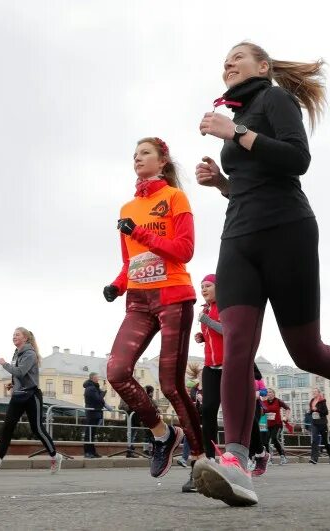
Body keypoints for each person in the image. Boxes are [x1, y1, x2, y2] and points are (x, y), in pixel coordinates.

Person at [192, 41, 330, 506]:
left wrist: (237, 133)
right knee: (237, 346)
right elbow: (251, 184)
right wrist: (221, 182)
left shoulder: (274, 99)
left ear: (263, 66)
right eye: (223, 60)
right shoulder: (239, 113)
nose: (226, 64)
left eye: (236, 58)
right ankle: (236, 462)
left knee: (307, 352)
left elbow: (296, 160)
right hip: (238, 238)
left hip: (287, 231)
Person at [102, 137, 205, 481]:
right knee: (116, 372)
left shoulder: (175, 197)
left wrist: (143, 234)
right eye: (134, 155)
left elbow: (184, 249)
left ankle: (202, 460)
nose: (137, 159)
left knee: (171, 385)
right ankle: (164, 435)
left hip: (173, 295)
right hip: (138, 300)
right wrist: (117, 286)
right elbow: (128, 262)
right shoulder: (126, 209)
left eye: (145, 153)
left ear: (162, 161)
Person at [0, 328, 60, 474]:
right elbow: (19, 375)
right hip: (18, 395)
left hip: (31, 395)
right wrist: (13, 384)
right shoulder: (17, 353)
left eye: (17, 334)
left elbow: (20, 371)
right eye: (13, 335)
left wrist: (4, 364)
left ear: (25, 338)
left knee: (37, 429)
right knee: (7, 427)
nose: (14, 337)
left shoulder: (30, 354)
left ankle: (55, 456)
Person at [194, 273, 223, 463]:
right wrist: (201, 336)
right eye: (201, 286)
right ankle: (210, 455)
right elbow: (213, 335)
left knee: (235, 409)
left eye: (207, 285)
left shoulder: (225, 306)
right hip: (210, 366)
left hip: (228, 366)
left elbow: (227, 330)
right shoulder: (205, 308)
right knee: (208, 409)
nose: (203, 289)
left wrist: (207, 322)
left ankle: (255, 451)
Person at [261, 389, 290, 465]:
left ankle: (283, 456)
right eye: (267, 392)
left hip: (277, 424)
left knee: (274, 438)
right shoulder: (264, 402)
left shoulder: (278, 401)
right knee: (265, 442)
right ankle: (269, 459)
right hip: (267, 425)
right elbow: (261, 413)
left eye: (270, 392)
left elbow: (287, 408)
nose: (268, 393)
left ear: (274, 394)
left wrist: (285, 417)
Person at [306, 388, 330, 465]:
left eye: (315, 392)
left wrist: (317, 410)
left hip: (322, 423)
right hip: (314, 423)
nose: (314, 393)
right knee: (314, 440)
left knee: (325, 442)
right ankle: (314, 459)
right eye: (313, 392)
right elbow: (312, 411)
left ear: (319, 393)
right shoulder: (312, 401)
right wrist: (310, 411)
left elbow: (326, 412)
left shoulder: (322, 401)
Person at [83, 372, 106, 458]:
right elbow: (99, 399)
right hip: (91, 413)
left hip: (95, 413)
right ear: (92, 378)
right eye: (97, 377)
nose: (98, 379)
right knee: (89, 433)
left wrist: (102, 392)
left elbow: (100, 398)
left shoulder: (94, 387)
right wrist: (103, 392)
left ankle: (92, 451)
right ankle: (87, 452)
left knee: (92, 433)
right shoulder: (90, 388)